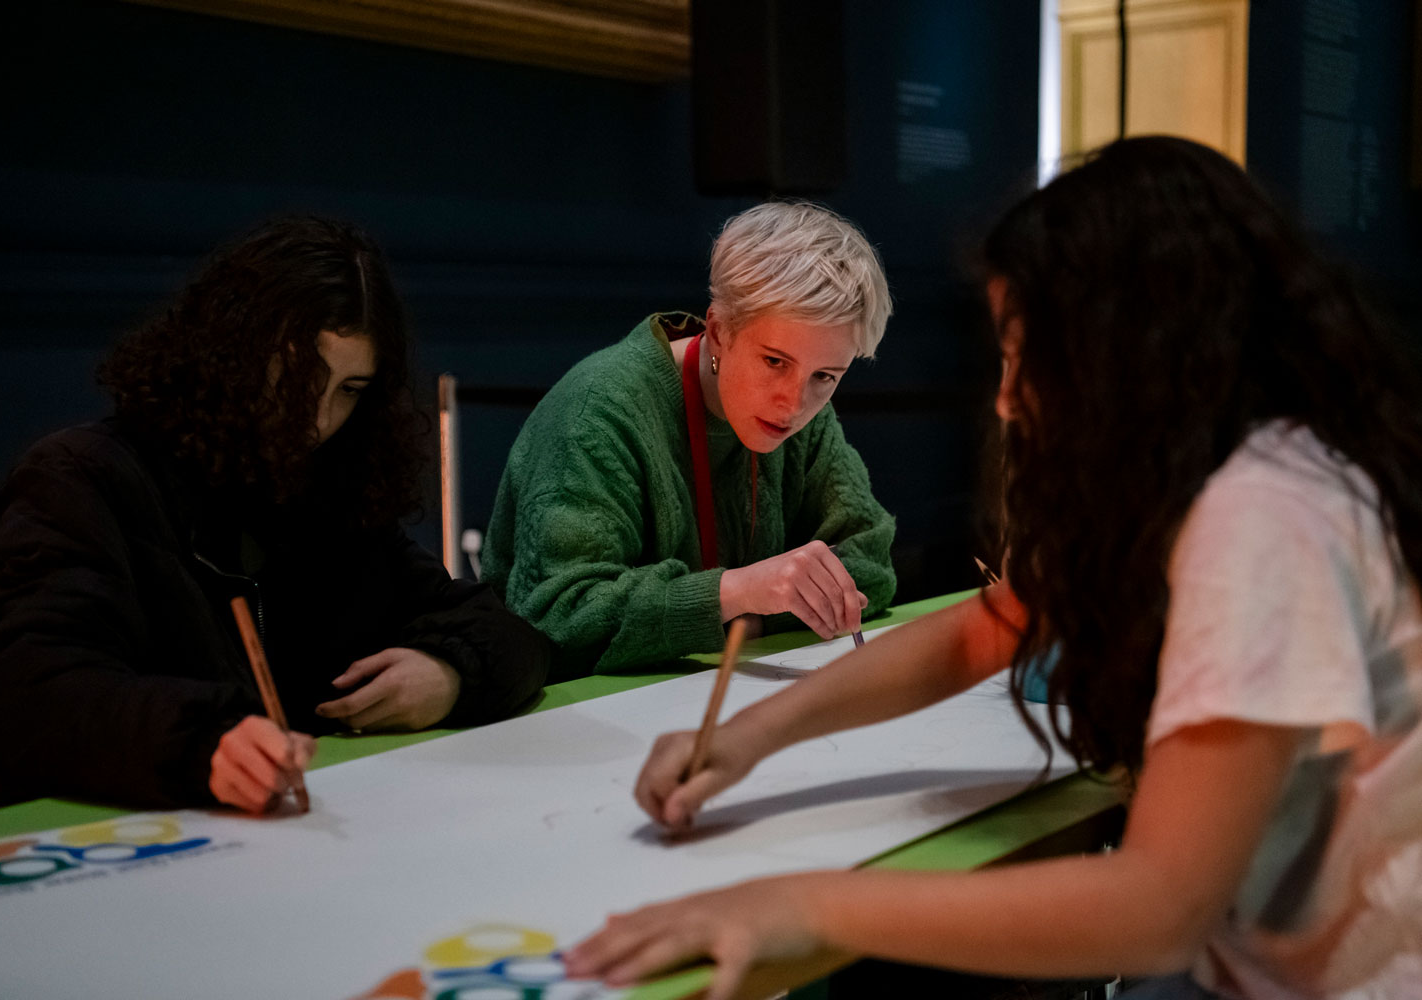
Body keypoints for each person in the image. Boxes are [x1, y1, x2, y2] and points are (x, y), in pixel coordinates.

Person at [563, 137, 1422, 999]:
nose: (1008, 398)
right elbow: (986, 628)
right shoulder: (1212, 472)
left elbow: (1163, 902)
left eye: (1026, 357)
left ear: (1131, 351)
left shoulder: (1265, 517)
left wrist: (806, 904)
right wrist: (750, 737)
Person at [0, 216, 551, 814]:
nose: (317, 420)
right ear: (230, 354)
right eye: (298, 376)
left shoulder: (326, 493)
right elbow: (29, 699)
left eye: (350, 390)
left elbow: (510, 637)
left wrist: (450, 673)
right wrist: (202, 743)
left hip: (305, 838)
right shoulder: (80, 478)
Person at [482, 201, 898, 679]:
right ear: (719, 331)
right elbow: (556, 617)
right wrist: (737, 594)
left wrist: (752, 611)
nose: (794, 403)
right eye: (774, 361)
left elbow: (870, 560)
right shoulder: (595, 412)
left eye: (826, 375)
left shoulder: (804, 414)